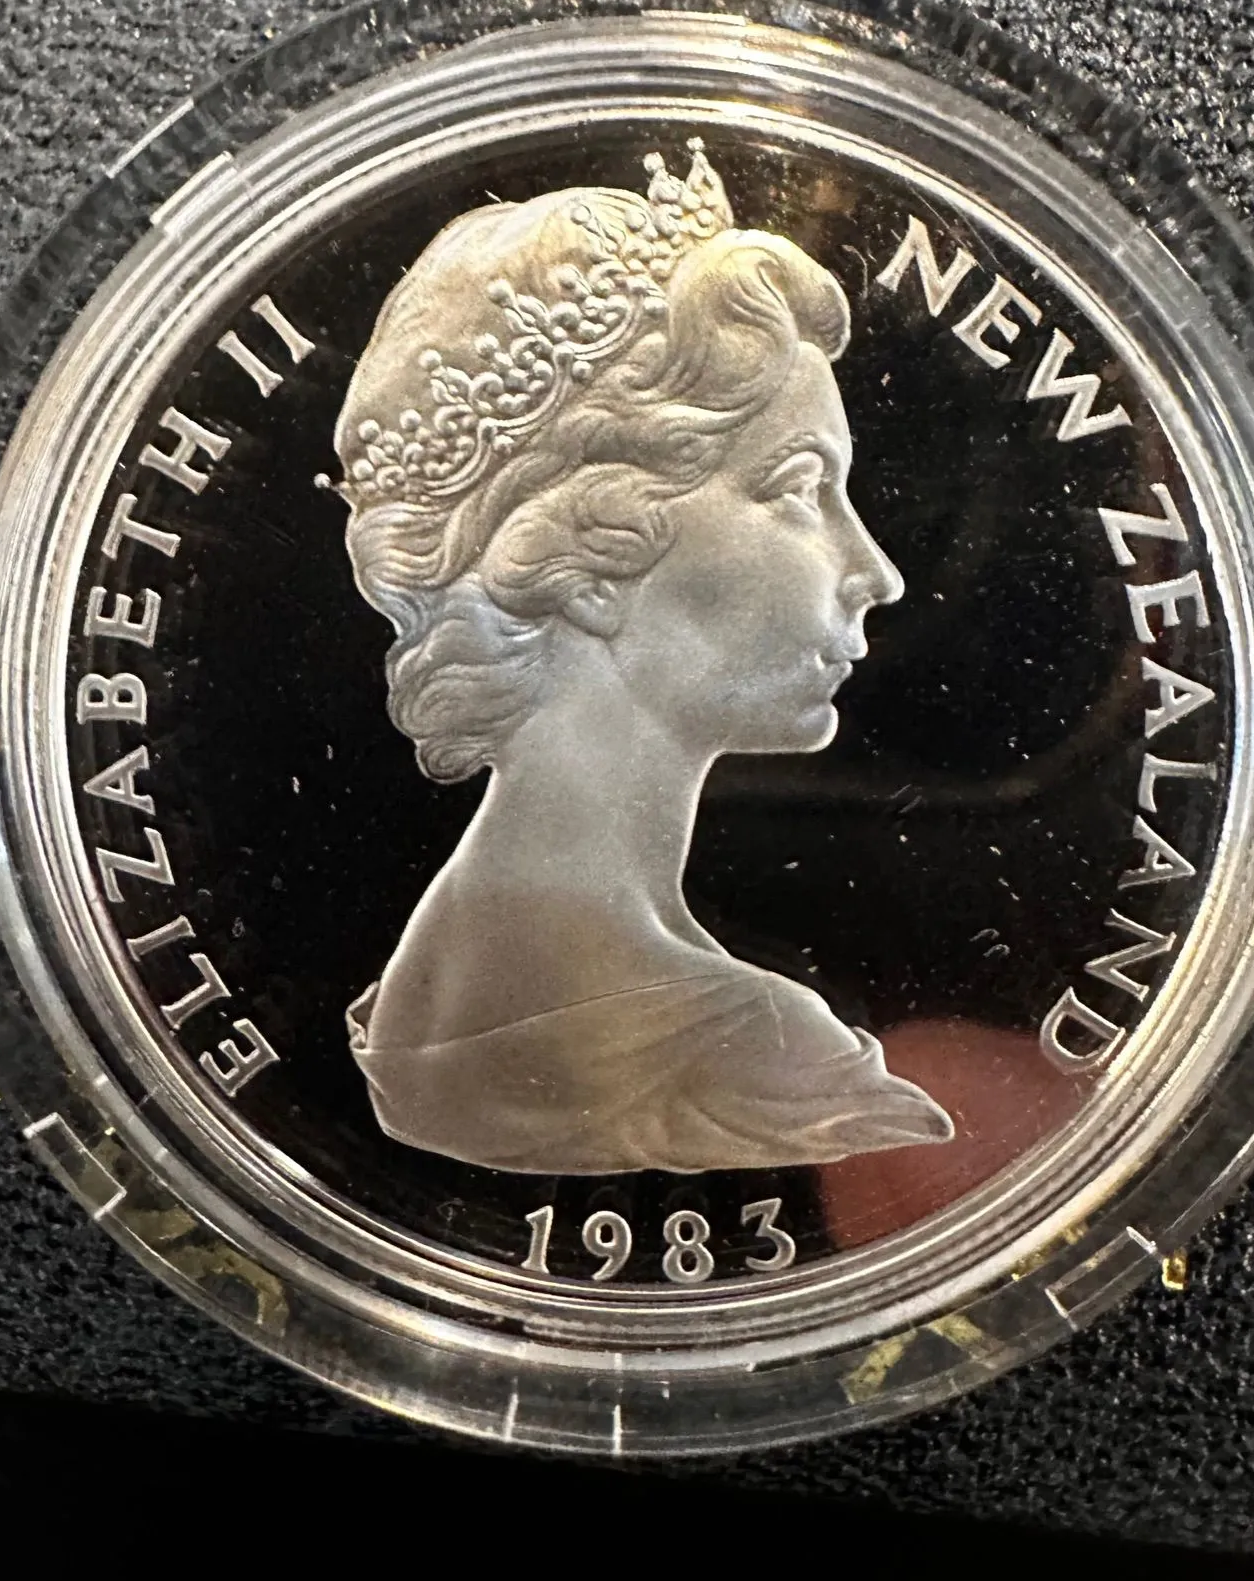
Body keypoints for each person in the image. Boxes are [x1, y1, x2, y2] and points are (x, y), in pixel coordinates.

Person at [326, 139, 956, 1173]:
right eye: (799, 489)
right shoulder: (763, 1049)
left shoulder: (427, 978)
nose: (875, 572)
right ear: (584, 554)